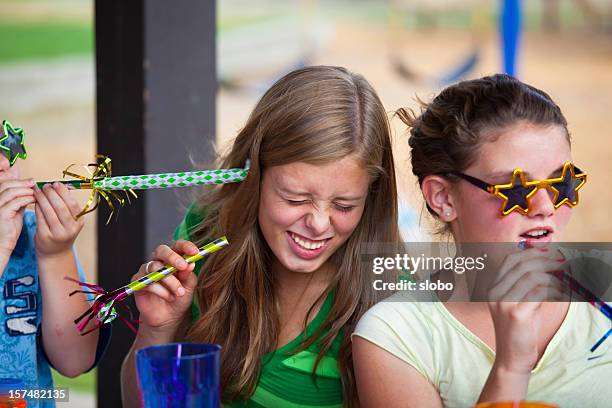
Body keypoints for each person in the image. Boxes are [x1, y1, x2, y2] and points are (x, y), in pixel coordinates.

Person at [121, 65, 401, 407]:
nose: (318, 223)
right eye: (295, 198)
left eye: (344, 205)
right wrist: (157, 329)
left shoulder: (392, 295)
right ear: (253, 176)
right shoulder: (204, 235)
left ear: (370, 197)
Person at [352, 74, 611, 407]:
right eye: (516, 189)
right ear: (443, 198)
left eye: (561, 184)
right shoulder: (396, 335)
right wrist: (511, 368)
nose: (545, 207)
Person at [0, 153, 108, 407]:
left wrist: (56, 255)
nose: (4, 162)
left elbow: (75, 361)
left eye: (7, 145)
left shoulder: (32, 233)